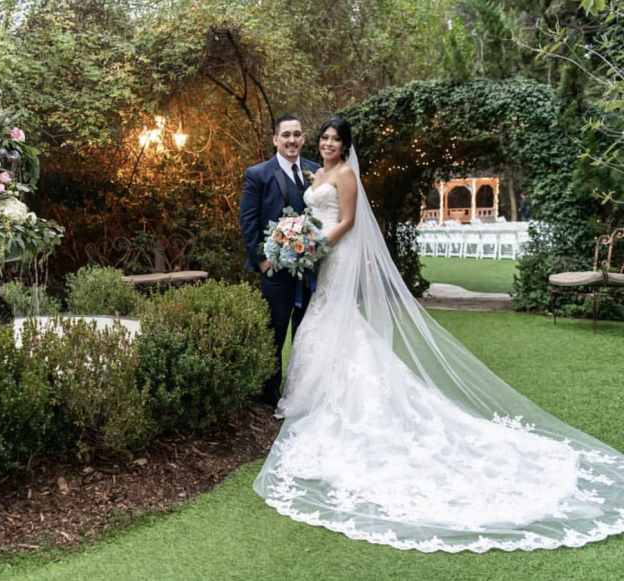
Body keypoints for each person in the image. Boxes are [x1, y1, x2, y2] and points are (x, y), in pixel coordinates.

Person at [253, 115, 624, 552]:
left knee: (336, 319)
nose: (328, 143)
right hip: (320, 258)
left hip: (335, 254)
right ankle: (318, 396)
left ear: (346, 144)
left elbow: (348, 220)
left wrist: (316, 245)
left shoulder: (346, 175)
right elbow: (307, 214)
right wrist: (296, 238)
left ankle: (340, 399)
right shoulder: (316, 172)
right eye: (325, 137)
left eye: (335, 139)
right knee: (323, 320)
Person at [239, 114, 320, 405]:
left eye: (297, 134)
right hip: (275, 268)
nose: (292, 140)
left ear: (303, 138)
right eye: (286, 135)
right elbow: (248, 221)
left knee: (308, 332)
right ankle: (269, 395)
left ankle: (302, 391)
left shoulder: (316, 171)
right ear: (275, 139)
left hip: (311, 269)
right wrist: (262, 260)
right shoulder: (258, 174)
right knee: (274, 331)